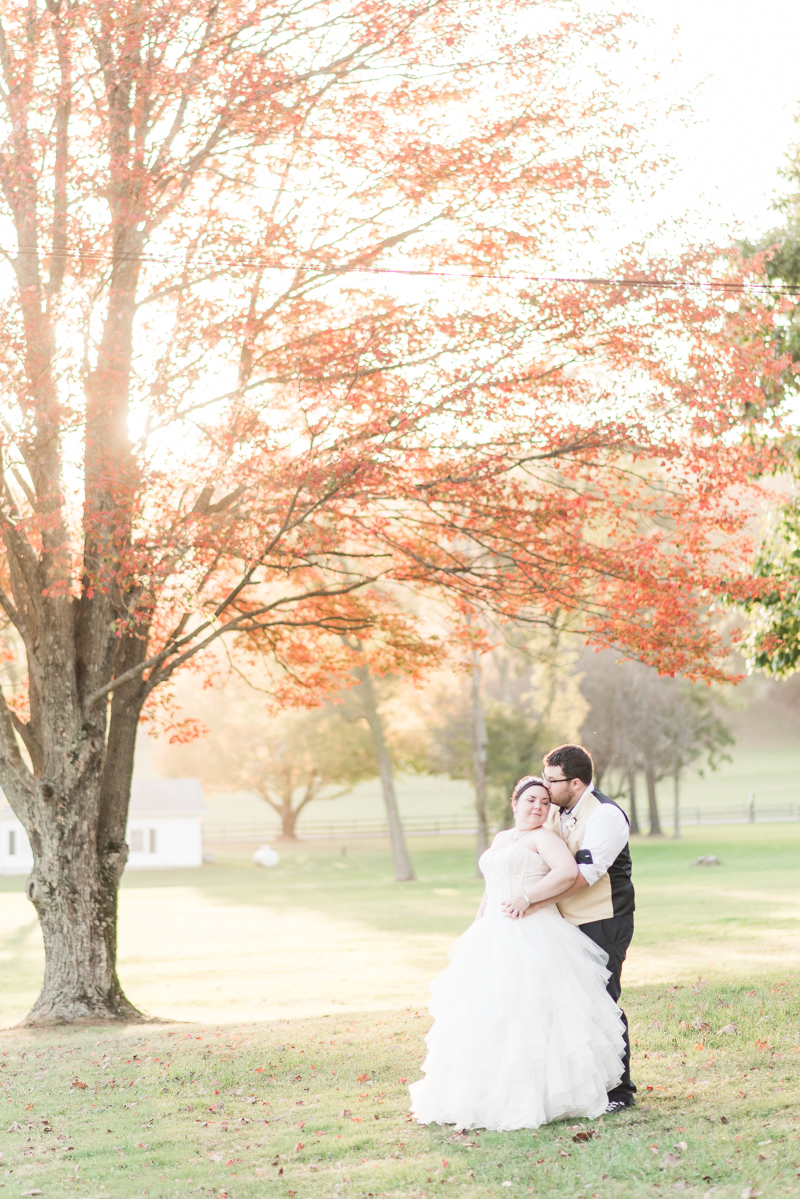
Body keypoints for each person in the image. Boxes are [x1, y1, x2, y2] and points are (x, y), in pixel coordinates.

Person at [409, 778, 625, 1132]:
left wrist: (528, 897)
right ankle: (482, 1093)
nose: (538, 807)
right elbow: (491, 885)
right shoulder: (501, 839)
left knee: (529, 1010)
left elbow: (567, 872)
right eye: (531, 800)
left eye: (544, 802)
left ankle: (539, 1095)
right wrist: (480, 919)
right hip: (493, 930)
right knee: (487, 1011)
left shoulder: (546, 838)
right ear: (515, 803)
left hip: (533, 928)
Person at [538, 743, 636, 1113]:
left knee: (603, 1002)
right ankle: (585, 1087)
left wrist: (534, 901)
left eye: (552, 780)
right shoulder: (555, 811)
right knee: (569, 1005)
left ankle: (620, 1091)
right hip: (561, 925)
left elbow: (585, 876)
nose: (545, 787)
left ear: (575, 783)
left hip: (603, 920)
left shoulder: (607, 816)